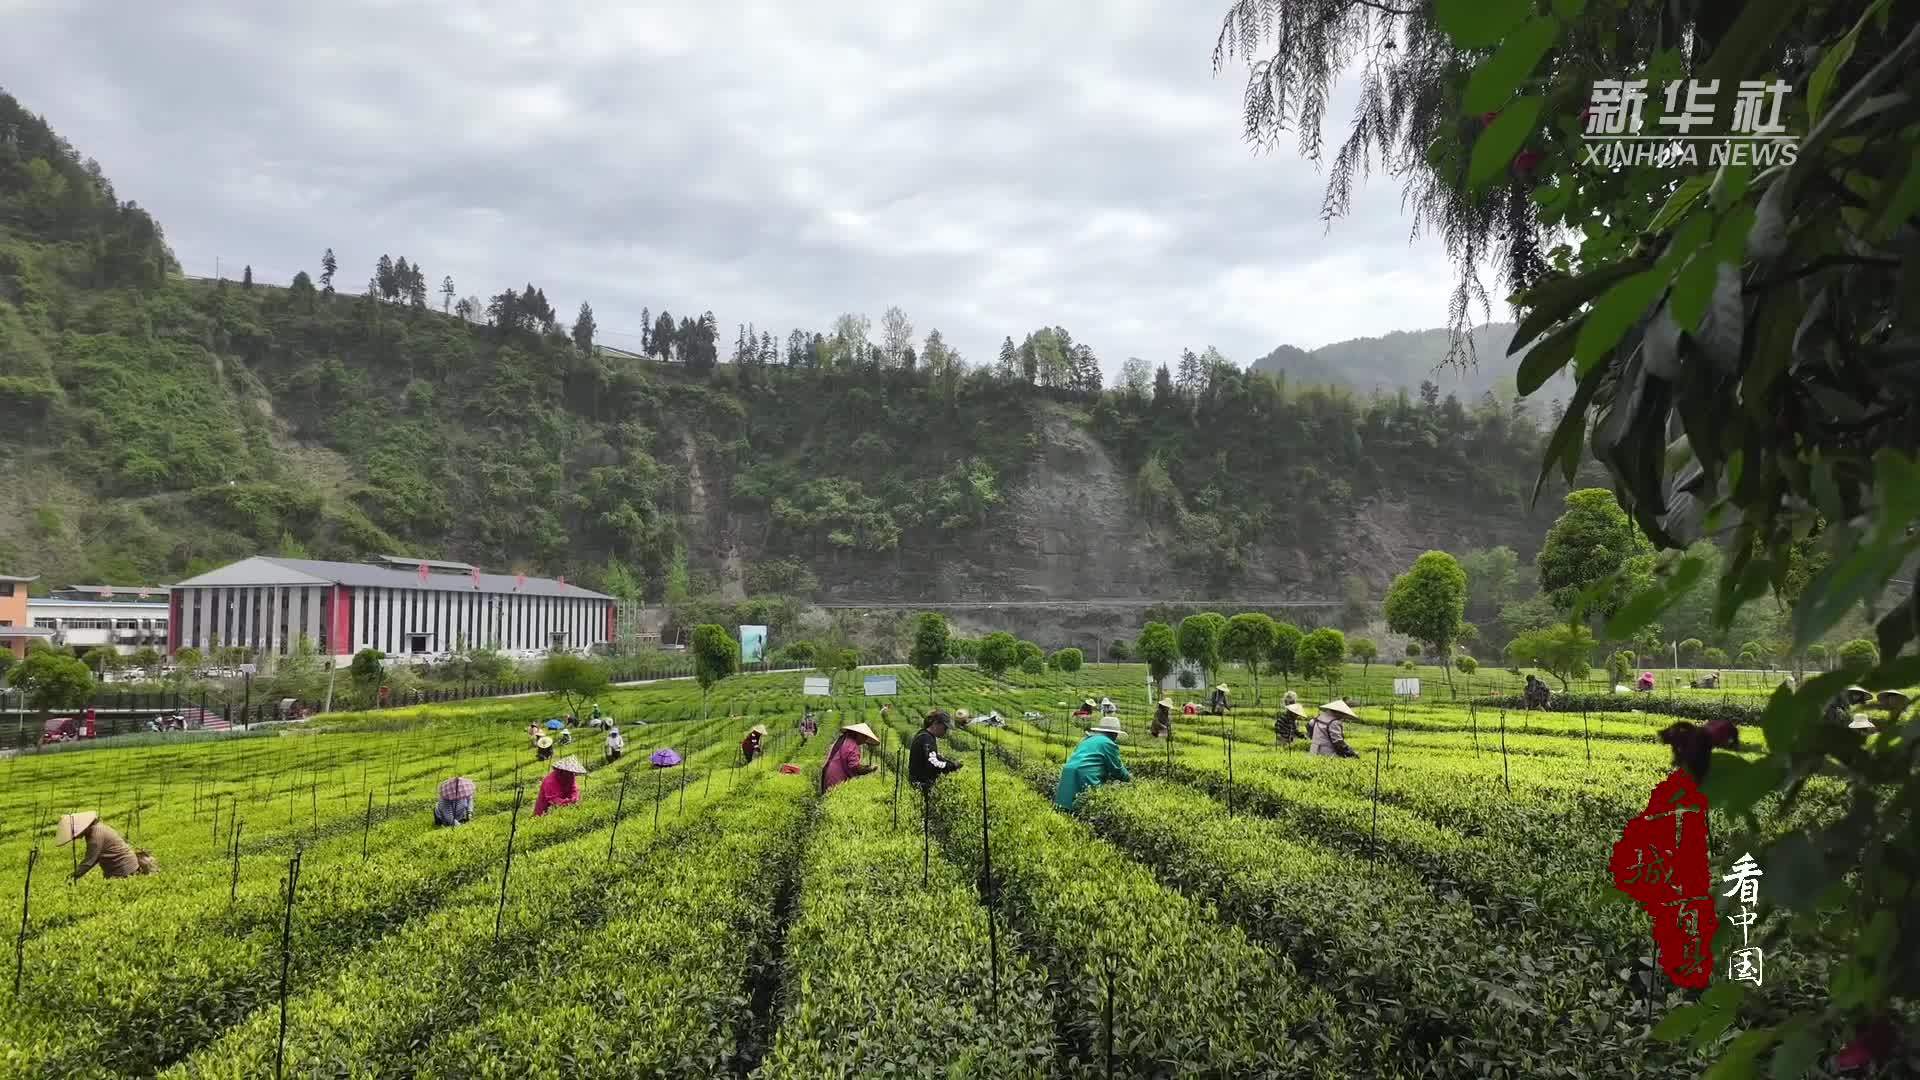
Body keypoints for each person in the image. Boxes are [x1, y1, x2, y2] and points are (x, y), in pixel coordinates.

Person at [1055, 717, 1132, 810]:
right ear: (1114, 734)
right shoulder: (1108, 744)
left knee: (1063, 807)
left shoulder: (1087, 739)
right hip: (1085, 773)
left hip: (1068, 770)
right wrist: (1129, 778)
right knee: (1086, 806)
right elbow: (1117, 769)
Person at [56, 812, 155, 880]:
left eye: (75, 833)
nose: (76, 837)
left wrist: (72, 877)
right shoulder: (97, 828)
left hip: (124, 870)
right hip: (124, 867)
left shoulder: (96, 835)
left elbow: (89, 861)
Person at [909, 710, 964, 791]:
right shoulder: (926, 738)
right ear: (936, 723)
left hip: (919, 783)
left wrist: (950, 763)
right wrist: (952, 766)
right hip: (921, 785)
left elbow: (934, 756)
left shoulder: (925, 735)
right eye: (945, 728)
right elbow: (934, 763)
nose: (945, 731)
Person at [821, 722, 881, 793]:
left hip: (829, 773)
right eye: (864, 737)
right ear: (859, 734)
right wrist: (869, 769)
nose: (865, 740)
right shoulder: (852, 745)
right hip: (837, 777)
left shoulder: (845, 738)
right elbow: (854, 767)